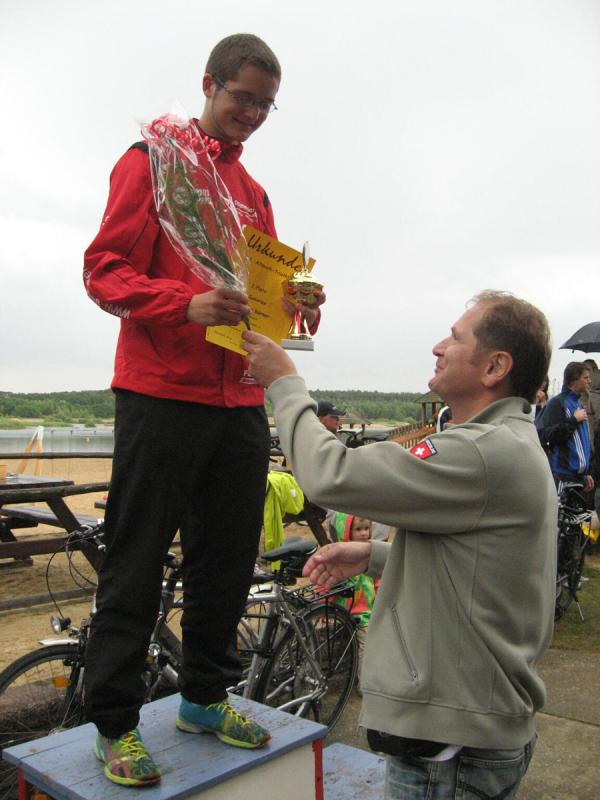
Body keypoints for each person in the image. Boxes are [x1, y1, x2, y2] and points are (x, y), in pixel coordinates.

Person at [83, 34, 323, 787]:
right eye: (241, 97)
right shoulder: (151, 161)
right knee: (136, 560)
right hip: (160, 394)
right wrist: (181, 304)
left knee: (226, 562)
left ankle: (205, 699)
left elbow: (263, 301)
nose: (251, 113)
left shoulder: (254, 193)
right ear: (209, 84)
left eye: (265, 104)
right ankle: (113, 724)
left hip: (239, 399)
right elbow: (102, 272)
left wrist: (297, 304)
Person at [242, 290, 556, 800]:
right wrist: (373, 555)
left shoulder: (482, 451)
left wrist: (283, 383)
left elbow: (331, 474)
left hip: (449, 753)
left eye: (455, 338)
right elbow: (485, 569)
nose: (438, 347)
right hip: (470, 733)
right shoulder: (510, 442)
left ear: (495, 366)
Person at [330, 512, 380, 689]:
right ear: (346, 531)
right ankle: (364, 684)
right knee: (367, 643)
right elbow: (330, 585)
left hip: (368, 609)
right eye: (358, 529)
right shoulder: (342, 558)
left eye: (367, 528)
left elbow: (377, 580)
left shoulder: (369, 555)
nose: (364, 533)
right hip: (353, 611)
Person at [537, 361, 594, 493]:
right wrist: (573, 421)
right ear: (574, 380)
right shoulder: (558, 403)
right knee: (560, 507)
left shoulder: (578, 404)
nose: (589, 381)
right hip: (563, 478)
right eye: (585, 378)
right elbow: (546, 435)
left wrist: (587, 472)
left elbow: (584, 442)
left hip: (579, 479)